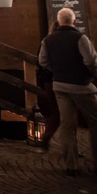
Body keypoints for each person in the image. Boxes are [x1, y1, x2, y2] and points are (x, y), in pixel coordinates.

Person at [38, 7, 97, 177]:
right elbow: (91, 60)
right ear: (74, 21)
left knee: (66, 125)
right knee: (96, 124)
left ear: (59, 21)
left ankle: (71, 165)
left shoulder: (48, 40)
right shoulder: (80, 38)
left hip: (60, 85)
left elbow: (43, 61)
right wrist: (94, 73)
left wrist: (57, 70)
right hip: (82, 86)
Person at [35, 20, 60, 150]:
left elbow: (41, 63)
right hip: (63, 80)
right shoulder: (66, 42)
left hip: (48, 82)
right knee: (67, 114)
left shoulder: (46, 41)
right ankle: (49, 135)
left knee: (55, 111)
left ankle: (47, 135)